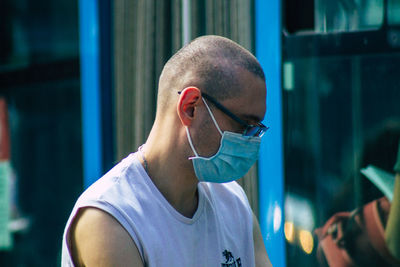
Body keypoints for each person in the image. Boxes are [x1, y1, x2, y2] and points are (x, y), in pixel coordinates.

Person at [61, 35, 272, 267]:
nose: (251, 141)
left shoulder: (234, 203)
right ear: (190, 107)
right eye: (244, 125)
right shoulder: (110, 217)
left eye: (256, 130)